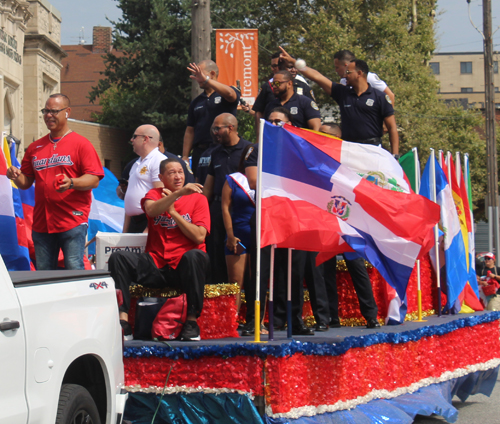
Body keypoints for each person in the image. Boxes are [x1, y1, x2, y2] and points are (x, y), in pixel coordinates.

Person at [109, 158, 210, 341]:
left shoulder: (198, 198)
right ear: (161, 177)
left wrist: (173, 213)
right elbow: (151, 211)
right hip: (157, 264)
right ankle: (123, 321)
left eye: (180, 172)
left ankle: (191, 321)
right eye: (172, 173)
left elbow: (199, 236)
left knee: (196, 256)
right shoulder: (153, 193)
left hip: (183, 267)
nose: (178, 176)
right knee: (119, 258)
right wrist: (176, 196)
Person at [7, 93, 103, 270]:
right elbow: (26, 182)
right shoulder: (36, 147)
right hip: (42, 222)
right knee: (45, 272)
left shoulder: (81, 144)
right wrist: (15, 174)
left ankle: (79, 298)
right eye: (46, 111)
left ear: (67, 112)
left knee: (74, 266)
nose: (48, 115)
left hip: (72, 219)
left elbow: (94, 178)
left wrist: (72, 182)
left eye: (54, 111)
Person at [279, 47, 399, 156]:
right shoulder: (343, 93)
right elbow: (317, 77)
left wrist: (395, 156)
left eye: (348, 73)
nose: (345, 75)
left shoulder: (379, 97)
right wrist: (294, 62)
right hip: (349, 150)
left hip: (373, 151)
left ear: (359, 74)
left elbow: (392, 127)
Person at [320, 121, 380, 328]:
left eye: (325, 134)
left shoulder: (350, 162)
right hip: (326, 220)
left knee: (357, 269)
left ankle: (371, 315)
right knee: (325, 270)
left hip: (348, 221)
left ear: (338, 138)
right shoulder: (316, 160)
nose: (320, 137)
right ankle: (331, 316)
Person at [203, 113, 252, 285]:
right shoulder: (215, 153)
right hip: (217, 209)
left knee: (240, 253)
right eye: (213, 129)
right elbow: (209, 185)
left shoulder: (249, 150)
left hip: (241, 210)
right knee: (216, 252)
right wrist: (202, 210)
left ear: (230, 128)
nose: (215, 132)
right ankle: (220, 297)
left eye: (218, 128)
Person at [182, 60, 240, 176]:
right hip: (201, 151)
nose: (197, 77)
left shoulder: (226, 93)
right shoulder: (196, 102)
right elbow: (190, 130)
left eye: (200, 73)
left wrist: (207, 81)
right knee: (200, 184)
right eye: (196, 75)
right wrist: (185, 156)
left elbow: (231, 95)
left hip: (223, 148)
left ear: (212, 74)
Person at [221, 144, 256, 312]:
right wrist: (230, 235)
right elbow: (225, 208)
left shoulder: (265, 179)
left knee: (257, 281)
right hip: (238, 236)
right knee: (236, 282)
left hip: (259, 236)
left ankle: (256, 321)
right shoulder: (233, 179)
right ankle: (232, 320)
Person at [252, 53, 315, 137]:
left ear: (289, 84)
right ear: (280, 68)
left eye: (295, 67)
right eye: (289, 67)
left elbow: (314, 122)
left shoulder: (303, 87)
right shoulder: (267, 87)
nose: (293, 70)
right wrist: (259, 138)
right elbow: (259, 113)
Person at [117, 136, 193, 201]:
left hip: (168, 210)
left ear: (159, 144)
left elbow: (191, 187)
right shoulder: (135, 163)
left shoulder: (177, 162)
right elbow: (120, 191)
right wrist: (124, 189)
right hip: (136, 213)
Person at [123, 125, 166, 233]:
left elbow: (161, 196)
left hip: (148, 222)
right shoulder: (136, 163)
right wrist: (124, 232)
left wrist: (148, 228)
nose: (131, 140)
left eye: (135, 136)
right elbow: (130, 199)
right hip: (134, 223)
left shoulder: (158, 160)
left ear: (145, 139)